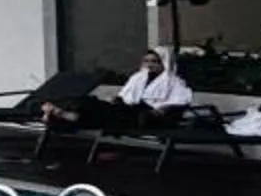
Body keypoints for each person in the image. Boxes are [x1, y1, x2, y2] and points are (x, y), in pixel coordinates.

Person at [45, 49, 195, 133]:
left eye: (155, 61)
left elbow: (181, 99)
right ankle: (65, 115)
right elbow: (126, 95)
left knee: (107, 113)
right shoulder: (138, 77)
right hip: (129, 109)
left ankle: (64, 116)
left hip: (147, 115)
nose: (150, 65)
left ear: (164, 63)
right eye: (147, 61)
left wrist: (164, 107)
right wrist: (116, 98)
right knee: (93, 104)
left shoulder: (174, 82)